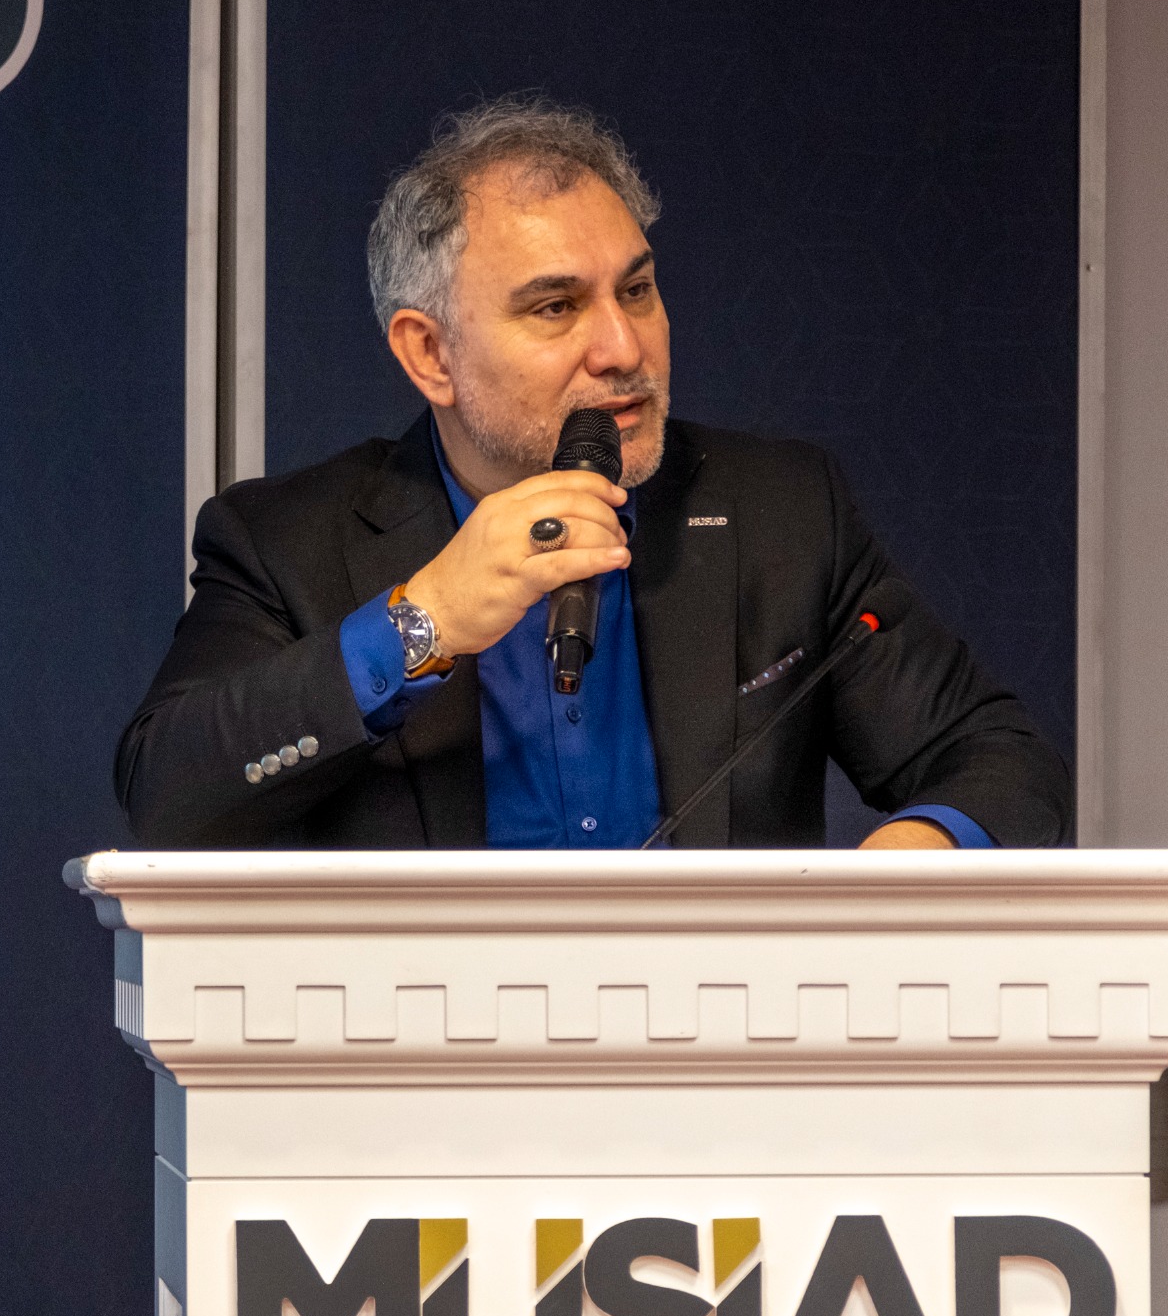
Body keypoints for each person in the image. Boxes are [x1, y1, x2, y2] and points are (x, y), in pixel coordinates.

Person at [114, 98, 1070, 850]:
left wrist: (909, 860)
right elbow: (168, 797)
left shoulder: (779, 512)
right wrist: (423, 622)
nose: (623, 348)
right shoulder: (288, 544)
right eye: (555, 308)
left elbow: (1001, 763)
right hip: (430, 1037)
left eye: (638, 290)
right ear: (430, 354)